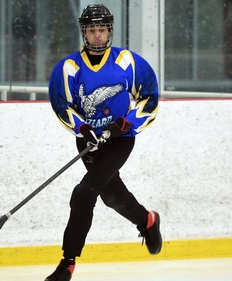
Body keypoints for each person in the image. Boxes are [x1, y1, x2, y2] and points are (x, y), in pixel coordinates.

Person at [45, 4, 162, 281]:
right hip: (89, 142)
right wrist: (83, 128)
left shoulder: (127, 62)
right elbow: (63, 107)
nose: (97, 36)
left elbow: (150, 98)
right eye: (91, 30)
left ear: (109, 30)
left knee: (84, 193)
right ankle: (148, 221)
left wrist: (126, 123)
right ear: (84, 32)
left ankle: (67, 264)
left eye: (102, 29)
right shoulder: (68, 68)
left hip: (119, 140)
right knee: (110, 196)